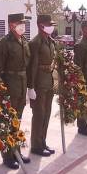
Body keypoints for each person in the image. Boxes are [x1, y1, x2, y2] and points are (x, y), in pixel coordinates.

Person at [0, 13, 31, 169]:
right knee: (8, 123)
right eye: (19, 23)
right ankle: (7, 156)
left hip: (21, 85)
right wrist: (0, 93)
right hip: (9, 87)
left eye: (23, 22)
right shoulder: (4, 43)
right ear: (11, 25)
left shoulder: (24, 41)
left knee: (17, 122)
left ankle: (17, 152)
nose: (23, 25)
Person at [28, 15, 57, 157]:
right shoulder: (36, 42)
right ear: (40, 25)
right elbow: (32, 66)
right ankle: (36, 145)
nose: (51, 26)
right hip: (39, 82)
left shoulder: (50, 41)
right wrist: (31, 87)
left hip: (48, 81)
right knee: (39, 114)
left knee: (46, 114)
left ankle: (42, 141)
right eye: (48, 24)